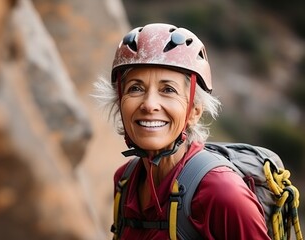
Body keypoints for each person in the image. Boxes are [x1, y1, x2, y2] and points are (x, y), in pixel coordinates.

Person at [94, 23, 270, 239]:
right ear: (120, 103)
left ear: (195, 111)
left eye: (168, 90)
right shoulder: (124, 180)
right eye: (136, 88)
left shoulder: (222, 193)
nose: (149, 105)